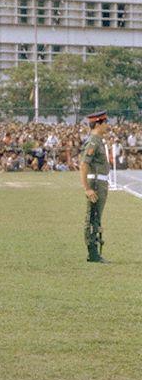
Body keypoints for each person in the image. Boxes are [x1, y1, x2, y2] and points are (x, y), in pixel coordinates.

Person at [80, 110, 111, 264]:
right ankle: (92, 253)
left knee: (96, 217)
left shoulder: (98, 140)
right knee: (93, 217)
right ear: (98, 124)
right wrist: (87, 188)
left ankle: (95, 251)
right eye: (105, 123)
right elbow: (84, 164)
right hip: (95, 184)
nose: (107, 126)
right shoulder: (93, 141)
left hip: (101, 182)